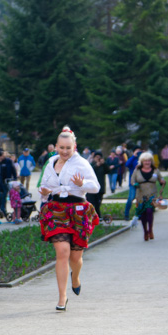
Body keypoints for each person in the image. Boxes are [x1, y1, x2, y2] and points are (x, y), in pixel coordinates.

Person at [38, 126, 100, 311]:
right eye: (61, 147)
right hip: (57, 209)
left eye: (68, 148)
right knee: (62, 252)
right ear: (56, 146)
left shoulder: (81, 163)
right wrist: (44, 192)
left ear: (74, 147)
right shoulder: (50, 162)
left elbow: (95, 187)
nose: (64, 151)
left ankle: (75, 277)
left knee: (75, 257)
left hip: (78, 210)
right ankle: (62, 296)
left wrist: (83, 184)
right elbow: (43, 186)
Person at [131, 151, 165, 241]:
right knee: (143, 214)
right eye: (145, 161)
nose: (147, 162)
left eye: (149, 161)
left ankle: (150, 230)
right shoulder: (137, 171)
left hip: (152, 195)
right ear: (142, 161)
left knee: (150, 211)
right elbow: (132, 180)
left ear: (151, 161)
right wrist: (135, 184)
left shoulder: (155, 170)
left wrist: (162, 182)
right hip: (140, 195)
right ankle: (145, 231)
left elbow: (161, 179)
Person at [124, 147, 142, 219]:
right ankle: (126, 214)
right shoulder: (133, 159)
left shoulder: (143, 159)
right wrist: (133, 156)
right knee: (131, 198)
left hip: (141, 183)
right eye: (136, 151)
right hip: (133, 183)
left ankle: (139, 215)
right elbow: (127, 164)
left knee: (140, 199)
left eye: (139, 151)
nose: (138, 153)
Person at [90, 151, 107, 216]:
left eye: (99, 158)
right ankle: (95, 215)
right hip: (92, 187)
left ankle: (98, 215)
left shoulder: (103, 165)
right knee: (93, 202)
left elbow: (108, 171)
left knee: (99, 202)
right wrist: (96, 165)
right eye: (97, 157)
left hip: (101, 187)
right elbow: (90, 171)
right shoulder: (91, 164)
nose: (98, 159)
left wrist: (104, 164)